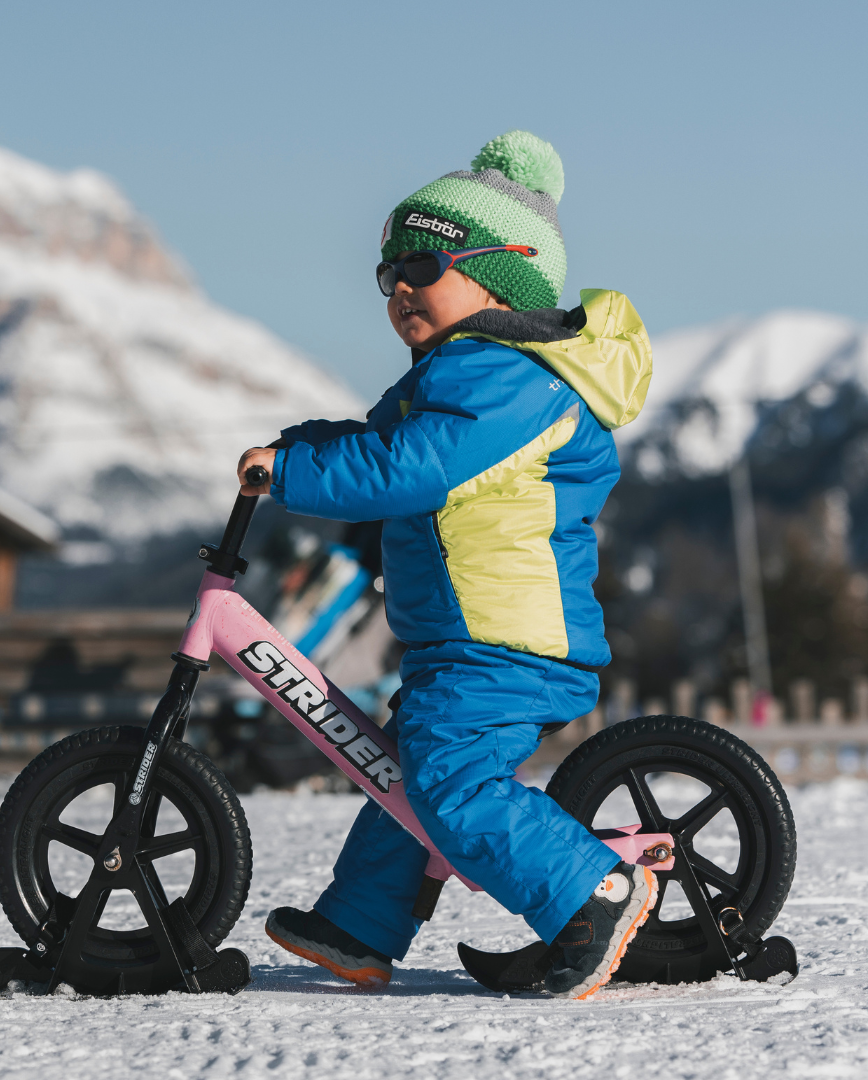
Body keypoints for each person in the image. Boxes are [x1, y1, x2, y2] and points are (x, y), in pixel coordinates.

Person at [237, 130, 654, 999]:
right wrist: (298, 445)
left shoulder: (507, 380)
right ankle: (362, 923)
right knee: (405, 772)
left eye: (421, 266)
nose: (398, 290)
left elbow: (407, 468)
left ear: (500, 274)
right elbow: (379, 441)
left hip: (506, 640)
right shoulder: (454, 373)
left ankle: (590, 891)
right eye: (387, 274)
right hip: (463, 637)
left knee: (447, 778)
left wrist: (296, 475)